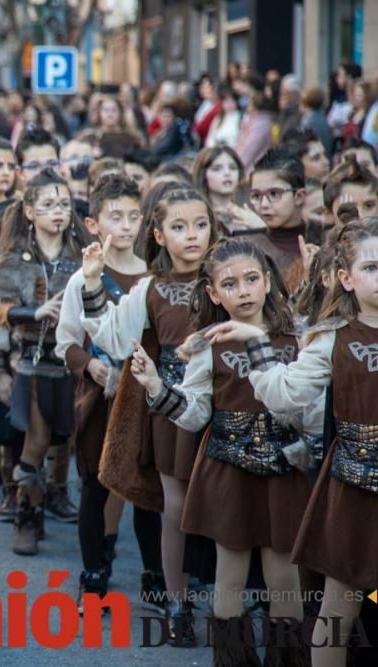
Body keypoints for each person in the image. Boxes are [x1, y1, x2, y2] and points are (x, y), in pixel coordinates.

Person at [202, 218, 378, 667]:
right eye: (373, 267)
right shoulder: (331, 338)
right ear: (346, 279)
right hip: (356, 490)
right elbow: (283, 395)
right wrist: (259, 343)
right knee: (338, 604)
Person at [133, 238, 315, 665]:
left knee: (284, 576)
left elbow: (307, 409)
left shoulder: (298, 338)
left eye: (252, 279)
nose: (244, 290)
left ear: (268, 282)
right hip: (227, 470)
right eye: (230, 284)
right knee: (228, 575)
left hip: (283, 469)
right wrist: (156, 387)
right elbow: (195, 415)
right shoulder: (207, 345)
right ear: (214, 294)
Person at [81, 187, 217, 647]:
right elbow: (114, 338)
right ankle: (178, 602)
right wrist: (94, 283)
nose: (192, 235)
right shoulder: (151, 288)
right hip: (169, 404)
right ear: (158, 235)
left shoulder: (228, 276)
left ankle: (232, 602)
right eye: (178, 227)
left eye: (200, 224)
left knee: (228, 505)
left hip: (231, 404)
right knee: (175, 506)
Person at [55, 174, 164, 610]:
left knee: (147, 488)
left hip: (143, 393)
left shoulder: (154, 277)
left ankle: (155, 574)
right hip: (98, 395)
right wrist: (94, 367)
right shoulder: (81, 280)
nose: (125, 225)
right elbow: (65, 342)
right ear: (93, 222)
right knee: (95, 485)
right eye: (114, 216)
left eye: (133, 216)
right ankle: (93, 571)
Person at [0, 170, 88, 555]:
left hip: (75, 363)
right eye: (47, 204)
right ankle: (27, 516)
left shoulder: (83, 254)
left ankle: (62, 507)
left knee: (67, 444)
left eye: (64, 204)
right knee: (37, 440)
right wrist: (33, 311)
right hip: (32, 361)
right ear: (29, 211)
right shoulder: (13, 257)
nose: (58, 212)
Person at [247, 148, 308, 292]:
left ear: (299, 196)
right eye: (256, 195)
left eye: (274, 194)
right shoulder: (248, 248)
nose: (264, 205)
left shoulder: (323, 240)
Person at [191, 145, 264, 235]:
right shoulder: (196, 214)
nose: (227, 173)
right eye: (217, 169)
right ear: (203, 175)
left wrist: (260, 226)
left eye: (233, 168)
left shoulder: (253, 209)